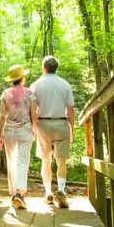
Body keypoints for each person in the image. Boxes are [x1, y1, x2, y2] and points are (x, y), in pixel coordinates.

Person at [29, 56, 75, 208]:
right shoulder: (65, 85)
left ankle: (48, 192)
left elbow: (33, 110)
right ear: (57, 67)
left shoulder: (36, 85)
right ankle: (61, 190)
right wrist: (72, 129)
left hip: (44, 124)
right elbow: (70, 109)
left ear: (44, 67)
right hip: (61, 123)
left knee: (45, 159)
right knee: (61, 160)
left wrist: (34, 127)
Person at [0, 64, 38, 209]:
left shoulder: (5, 94)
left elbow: (2, 116)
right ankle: (20, 193)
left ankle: (14, 193)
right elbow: (34, 114)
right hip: (25, 130)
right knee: (22, 161)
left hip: (10, 131)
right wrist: (35, 129)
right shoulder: (29, 94)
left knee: (12, 161)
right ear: (22, 78)